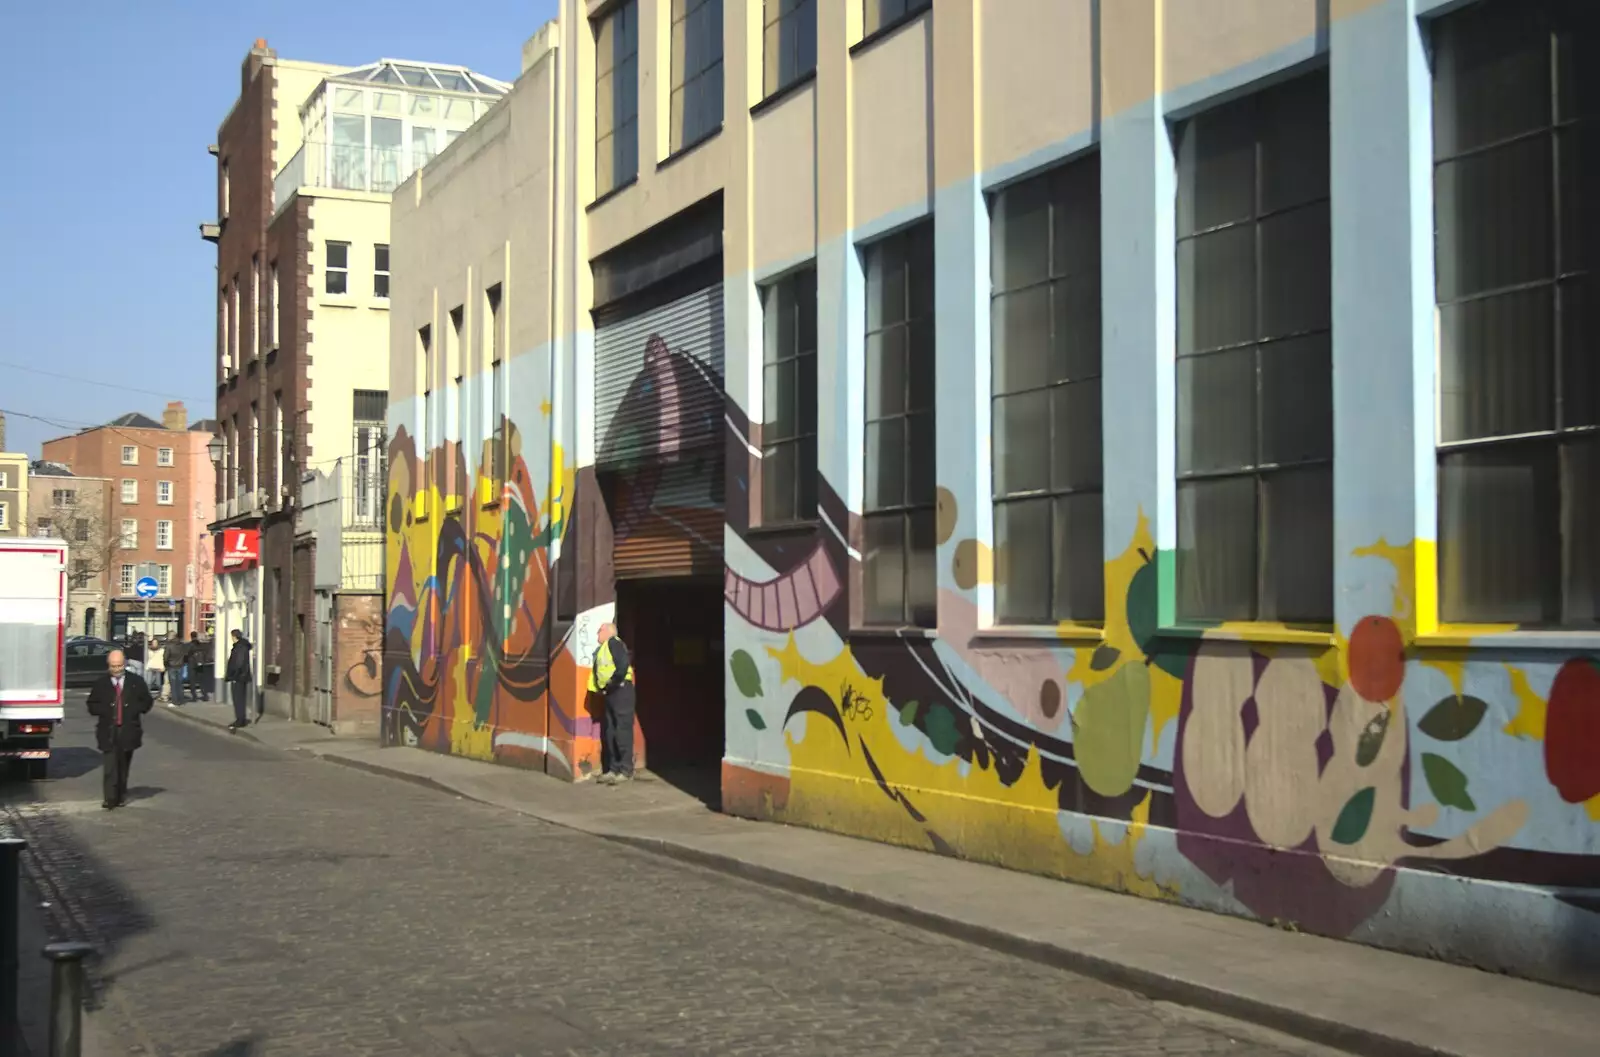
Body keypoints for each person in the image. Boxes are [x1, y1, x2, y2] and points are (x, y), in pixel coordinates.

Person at [85, 649, 153, 809]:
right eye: (113, 666)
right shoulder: (101, 683)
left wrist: (135, 709)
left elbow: (147, 701)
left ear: (125, 664)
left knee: (123, 765)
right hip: (108, 729)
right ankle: (109, 798)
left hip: (128, 729)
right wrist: (105, 709)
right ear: (108, 666)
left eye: (119, 666)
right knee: (110, 765)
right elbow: (91, 705)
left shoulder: (135, 681)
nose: (116, 669)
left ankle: (121, 794)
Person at [588, 622, 636, 785]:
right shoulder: (603, 649)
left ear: (607, 631)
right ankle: (612, 769)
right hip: (610, 693)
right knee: (610, 731)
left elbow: (622, 667)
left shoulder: (614, 643)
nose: (597, 634)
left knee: (622, 730)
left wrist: (612, 683)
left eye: (599, 630)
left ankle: (626, 770)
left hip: (621, 691)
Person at [225, 629, 253, 732]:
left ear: (234, 636)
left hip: (238, 677)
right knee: (240, 698)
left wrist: (233, 675)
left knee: (238, 699)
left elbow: (238, 664)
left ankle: (240, 720)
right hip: (242, 676)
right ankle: (241, 718)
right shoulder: (243, 646)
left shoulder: (239, 648)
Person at [185, 630, 209, 702]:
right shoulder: (201, 645)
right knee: (201, 681)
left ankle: (194, 697)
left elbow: (186, 654)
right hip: (200, 664)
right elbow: (205, 653)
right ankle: (205, 695)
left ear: (191, 636)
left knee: (192, 681)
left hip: (191, 664)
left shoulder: (189, 645)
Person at [162, 636, 187, 707]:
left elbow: (165, 657)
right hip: (180, 666)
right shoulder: (182, 646)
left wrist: (166, 665)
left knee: (173, 685)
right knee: (179, 684)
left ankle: (175, 701)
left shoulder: (169, 646)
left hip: (171, 666)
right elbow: (185, 655)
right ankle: (181, 700)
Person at [145, 636, 166, 701]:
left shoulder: (161, 650)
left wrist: (163, 667)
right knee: (148, 683)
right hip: (150, 667)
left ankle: (160, 694)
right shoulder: (148, 650)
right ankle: (148, 696)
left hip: (158, 668)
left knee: (158, 684)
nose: (154, 644)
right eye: (153, 643)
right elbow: (147, 659)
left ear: (158, 643)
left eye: (156, 642)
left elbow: (163, 659)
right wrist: (147, 667)